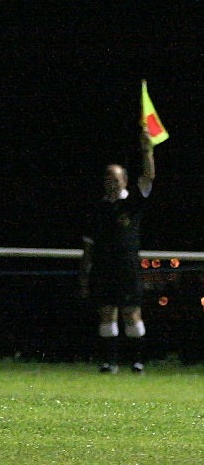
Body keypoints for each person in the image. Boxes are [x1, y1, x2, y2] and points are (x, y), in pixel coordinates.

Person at [78, 129, 156, 374]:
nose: (111, 182)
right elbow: (89, 245)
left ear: (124, 180)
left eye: (115, 178)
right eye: (107, 178)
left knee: (132, 313)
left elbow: (149, 177)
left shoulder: (132, 202)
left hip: (127, 267)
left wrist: (147, 150)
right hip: (103, 268)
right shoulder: (98, 209)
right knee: (106, 313)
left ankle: (137, 362)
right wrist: (84, 274)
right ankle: (109, 363)